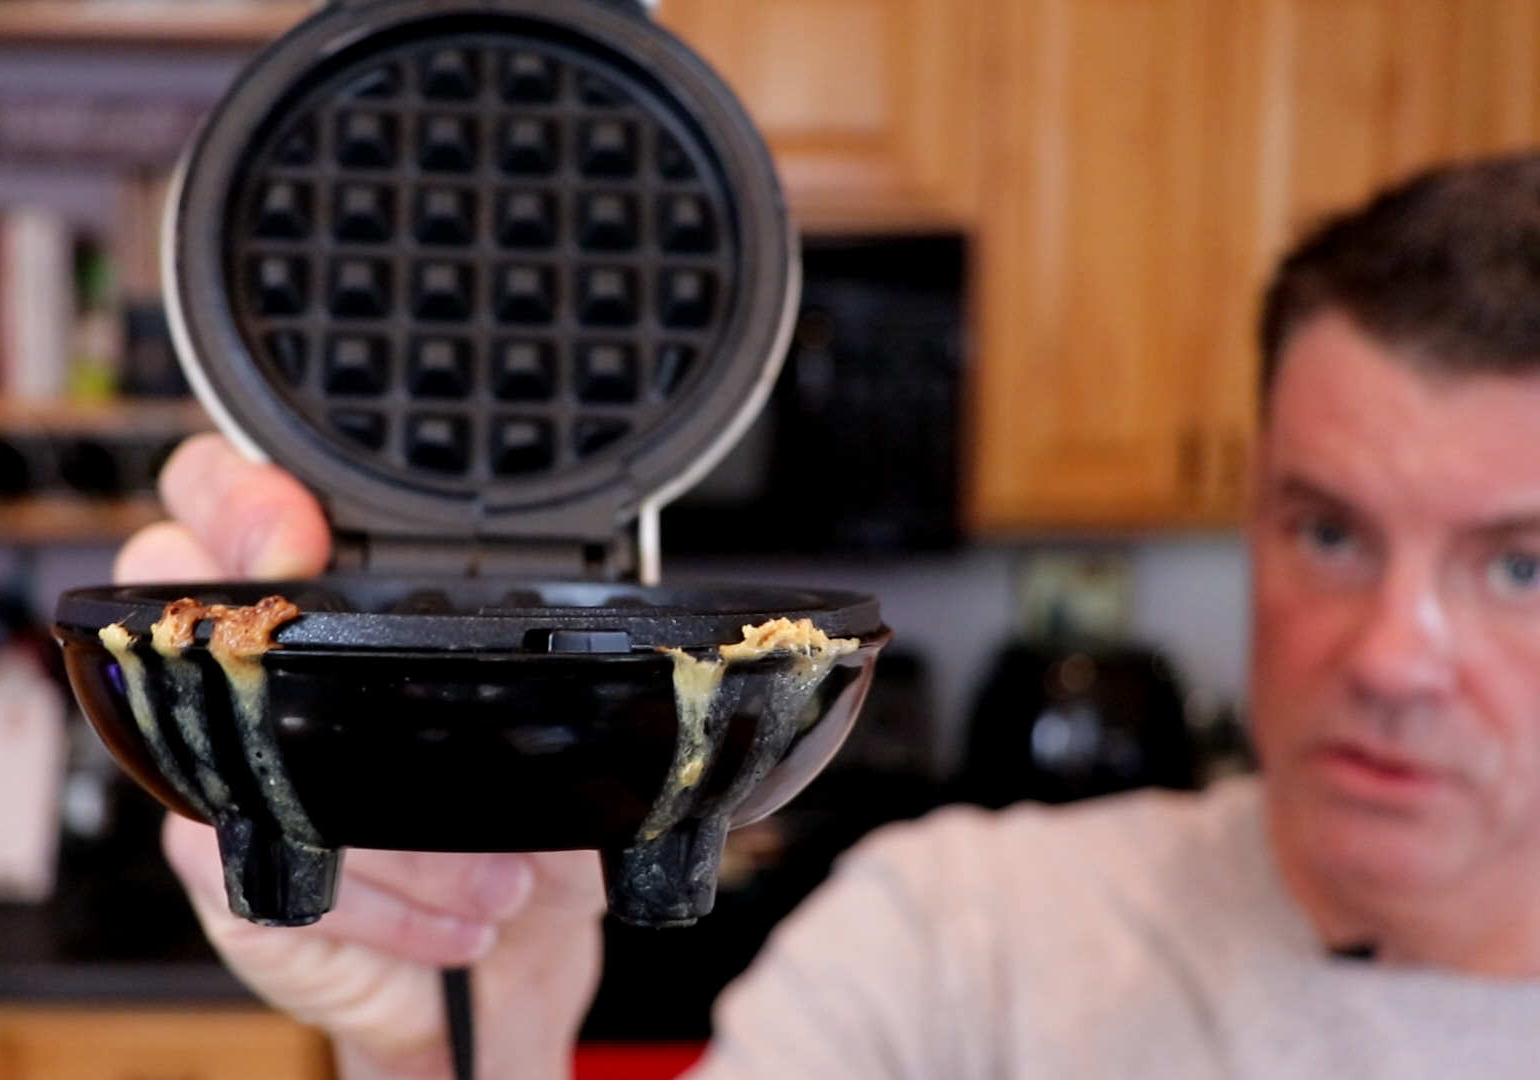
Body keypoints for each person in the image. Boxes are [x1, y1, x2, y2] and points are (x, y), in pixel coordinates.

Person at [113, 151, 1540, 1078]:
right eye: (1330, 531)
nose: (1394, 657)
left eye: (1518, 565)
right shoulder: (965, 936)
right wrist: (459, 1032)